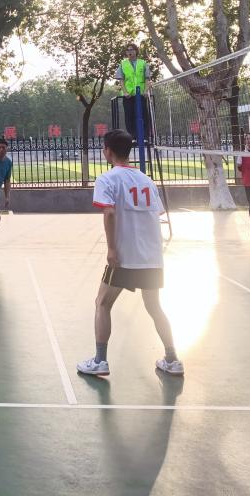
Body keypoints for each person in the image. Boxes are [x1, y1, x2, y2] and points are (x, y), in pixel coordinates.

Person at [76, 129, 182, 377]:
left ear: (107, 151)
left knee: (102, 303)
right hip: (152, 256)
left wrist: (112, 249)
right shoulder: (147, 180)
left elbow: (109, 213)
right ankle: (172, 359)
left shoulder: (107, 179)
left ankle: (100, 361)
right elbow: (156, 213)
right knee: (154, 307)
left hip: (124, 256)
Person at [116, 43, 152, 141]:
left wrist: (146, 91)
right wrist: (125, 92)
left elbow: (147, 78)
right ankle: (132, 136)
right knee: (129, 116)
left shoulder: (143, 63)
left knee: (143, 115)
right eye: (127, 50)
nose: (129, 52)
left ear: (136, 51)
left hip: (141, 94)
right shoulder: (123, 64)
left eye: (131, 50)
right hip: (128, 95)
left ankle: (145, 137)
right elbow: (121, 80)